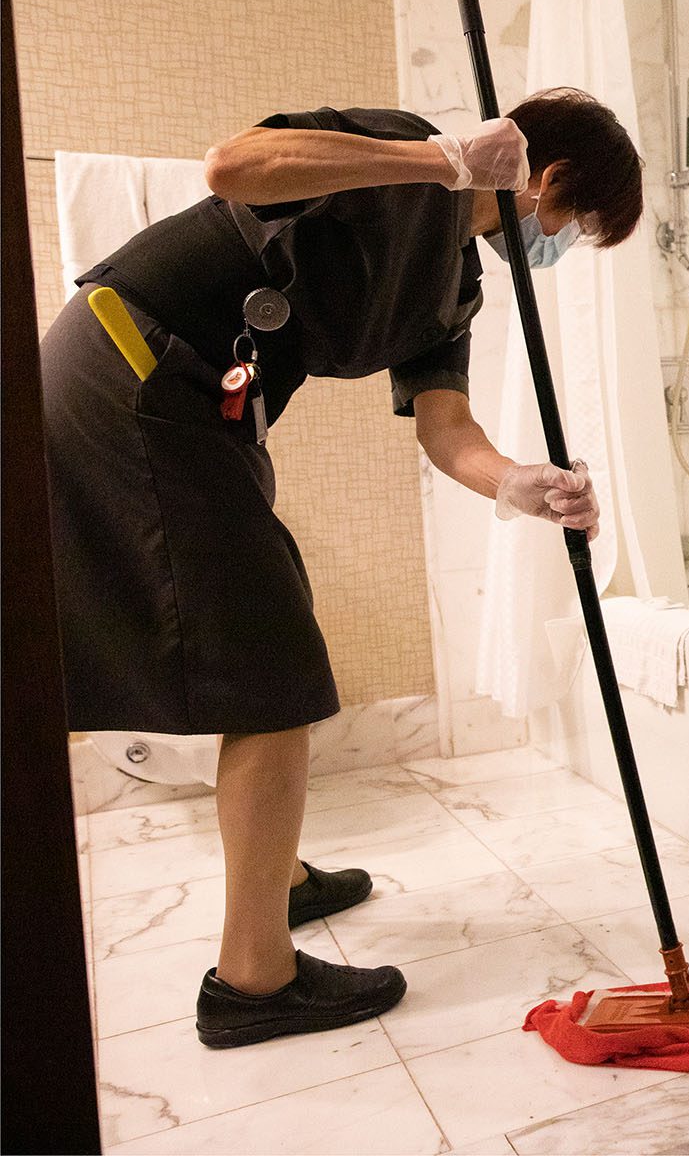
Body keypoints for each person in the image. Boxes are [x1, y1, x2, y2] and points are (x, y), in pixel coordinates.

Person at [38, 87, 644, 1048]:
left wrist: (515, 483)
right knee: (273, 668)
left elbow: (447, 429)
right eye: (575, 226)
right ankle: (253, 981)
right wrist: (440, 160)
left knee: (269, 628)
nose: (557, 248)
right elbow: (233, 166)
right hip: (132, 370)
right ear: (555, 180)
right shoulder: (402, 153)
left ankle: (278, 878)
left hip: (201, 403)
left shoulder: (459, 281)